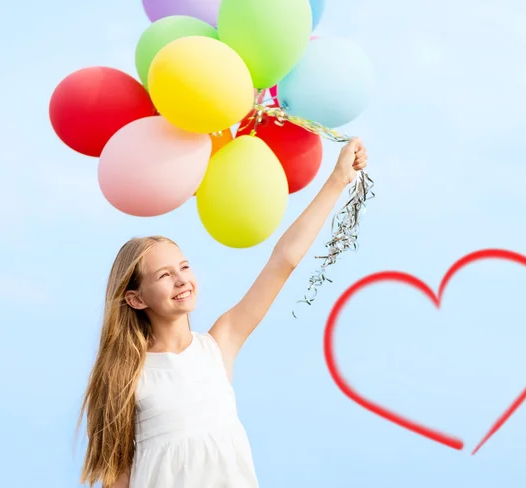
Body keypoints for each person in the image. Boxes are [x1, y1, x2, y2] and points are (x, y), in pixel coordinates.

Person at [78, 138, 368, 488]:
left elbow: (284, 260)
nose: (181, 280)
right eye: (165, 275)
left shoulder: (219, 343)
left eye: (183, 267)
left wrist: (337, 180)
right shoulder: (127, 373)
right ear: (136, 299)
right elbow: (117, 476)